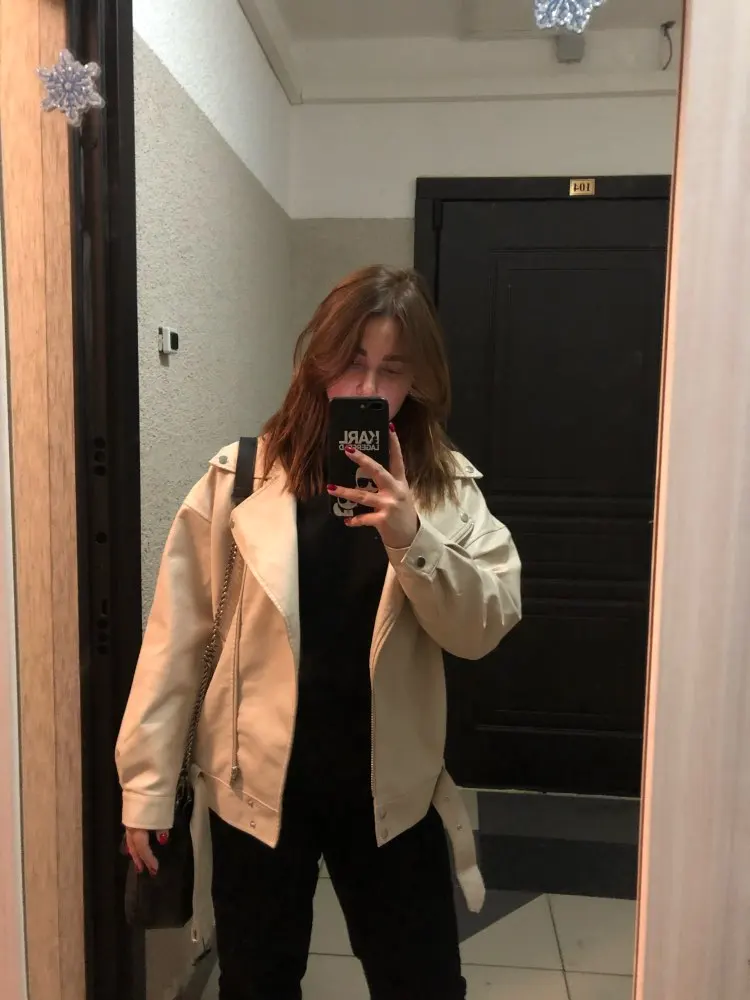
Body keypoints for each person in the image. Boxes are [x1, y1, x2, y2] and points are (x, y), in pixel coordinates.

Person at [116, 265, 522, 1000]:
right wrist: (146, 788)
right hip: (258, 792)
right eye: (352, 361)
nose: (367, 386)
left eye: (391, 369)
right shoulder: (239, 479)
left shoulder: (446, 490)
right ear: (318, 361)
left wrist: (413, 538)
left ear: (418, 380)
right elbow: (175, 642)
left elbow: (484, 626)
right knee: (257, 983)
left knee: (423, 983)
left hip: (391, 792)